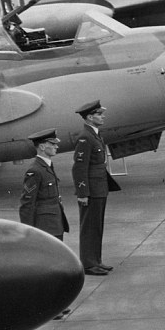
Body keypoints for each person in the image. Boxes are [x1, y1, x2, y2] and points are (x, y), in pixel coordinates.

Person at [20, 128, 73, 319]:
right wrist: (28, 230)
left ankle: (56, 304)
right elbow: (27, 203)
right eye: (52, 144)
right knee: (49, 267)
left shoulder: (47, 166)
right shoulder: (35, 170)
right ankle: (50, 307)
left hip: (54, 221)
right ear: (42, 146)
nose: (56, 146)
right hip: (45, 225)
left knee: (55, 265)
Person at [72, 100, 119, 276]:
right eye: (99, 114)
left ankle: (96, 261)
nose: (102, 116)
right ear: (90, 117)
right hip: (91, 190)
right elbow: (79, 167)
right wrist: (83, 193)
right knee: (89, 227)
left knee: (96, 226)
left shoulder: (95, 134)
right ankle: (88, 264)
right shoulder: (86, 137)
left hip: (99, 188)